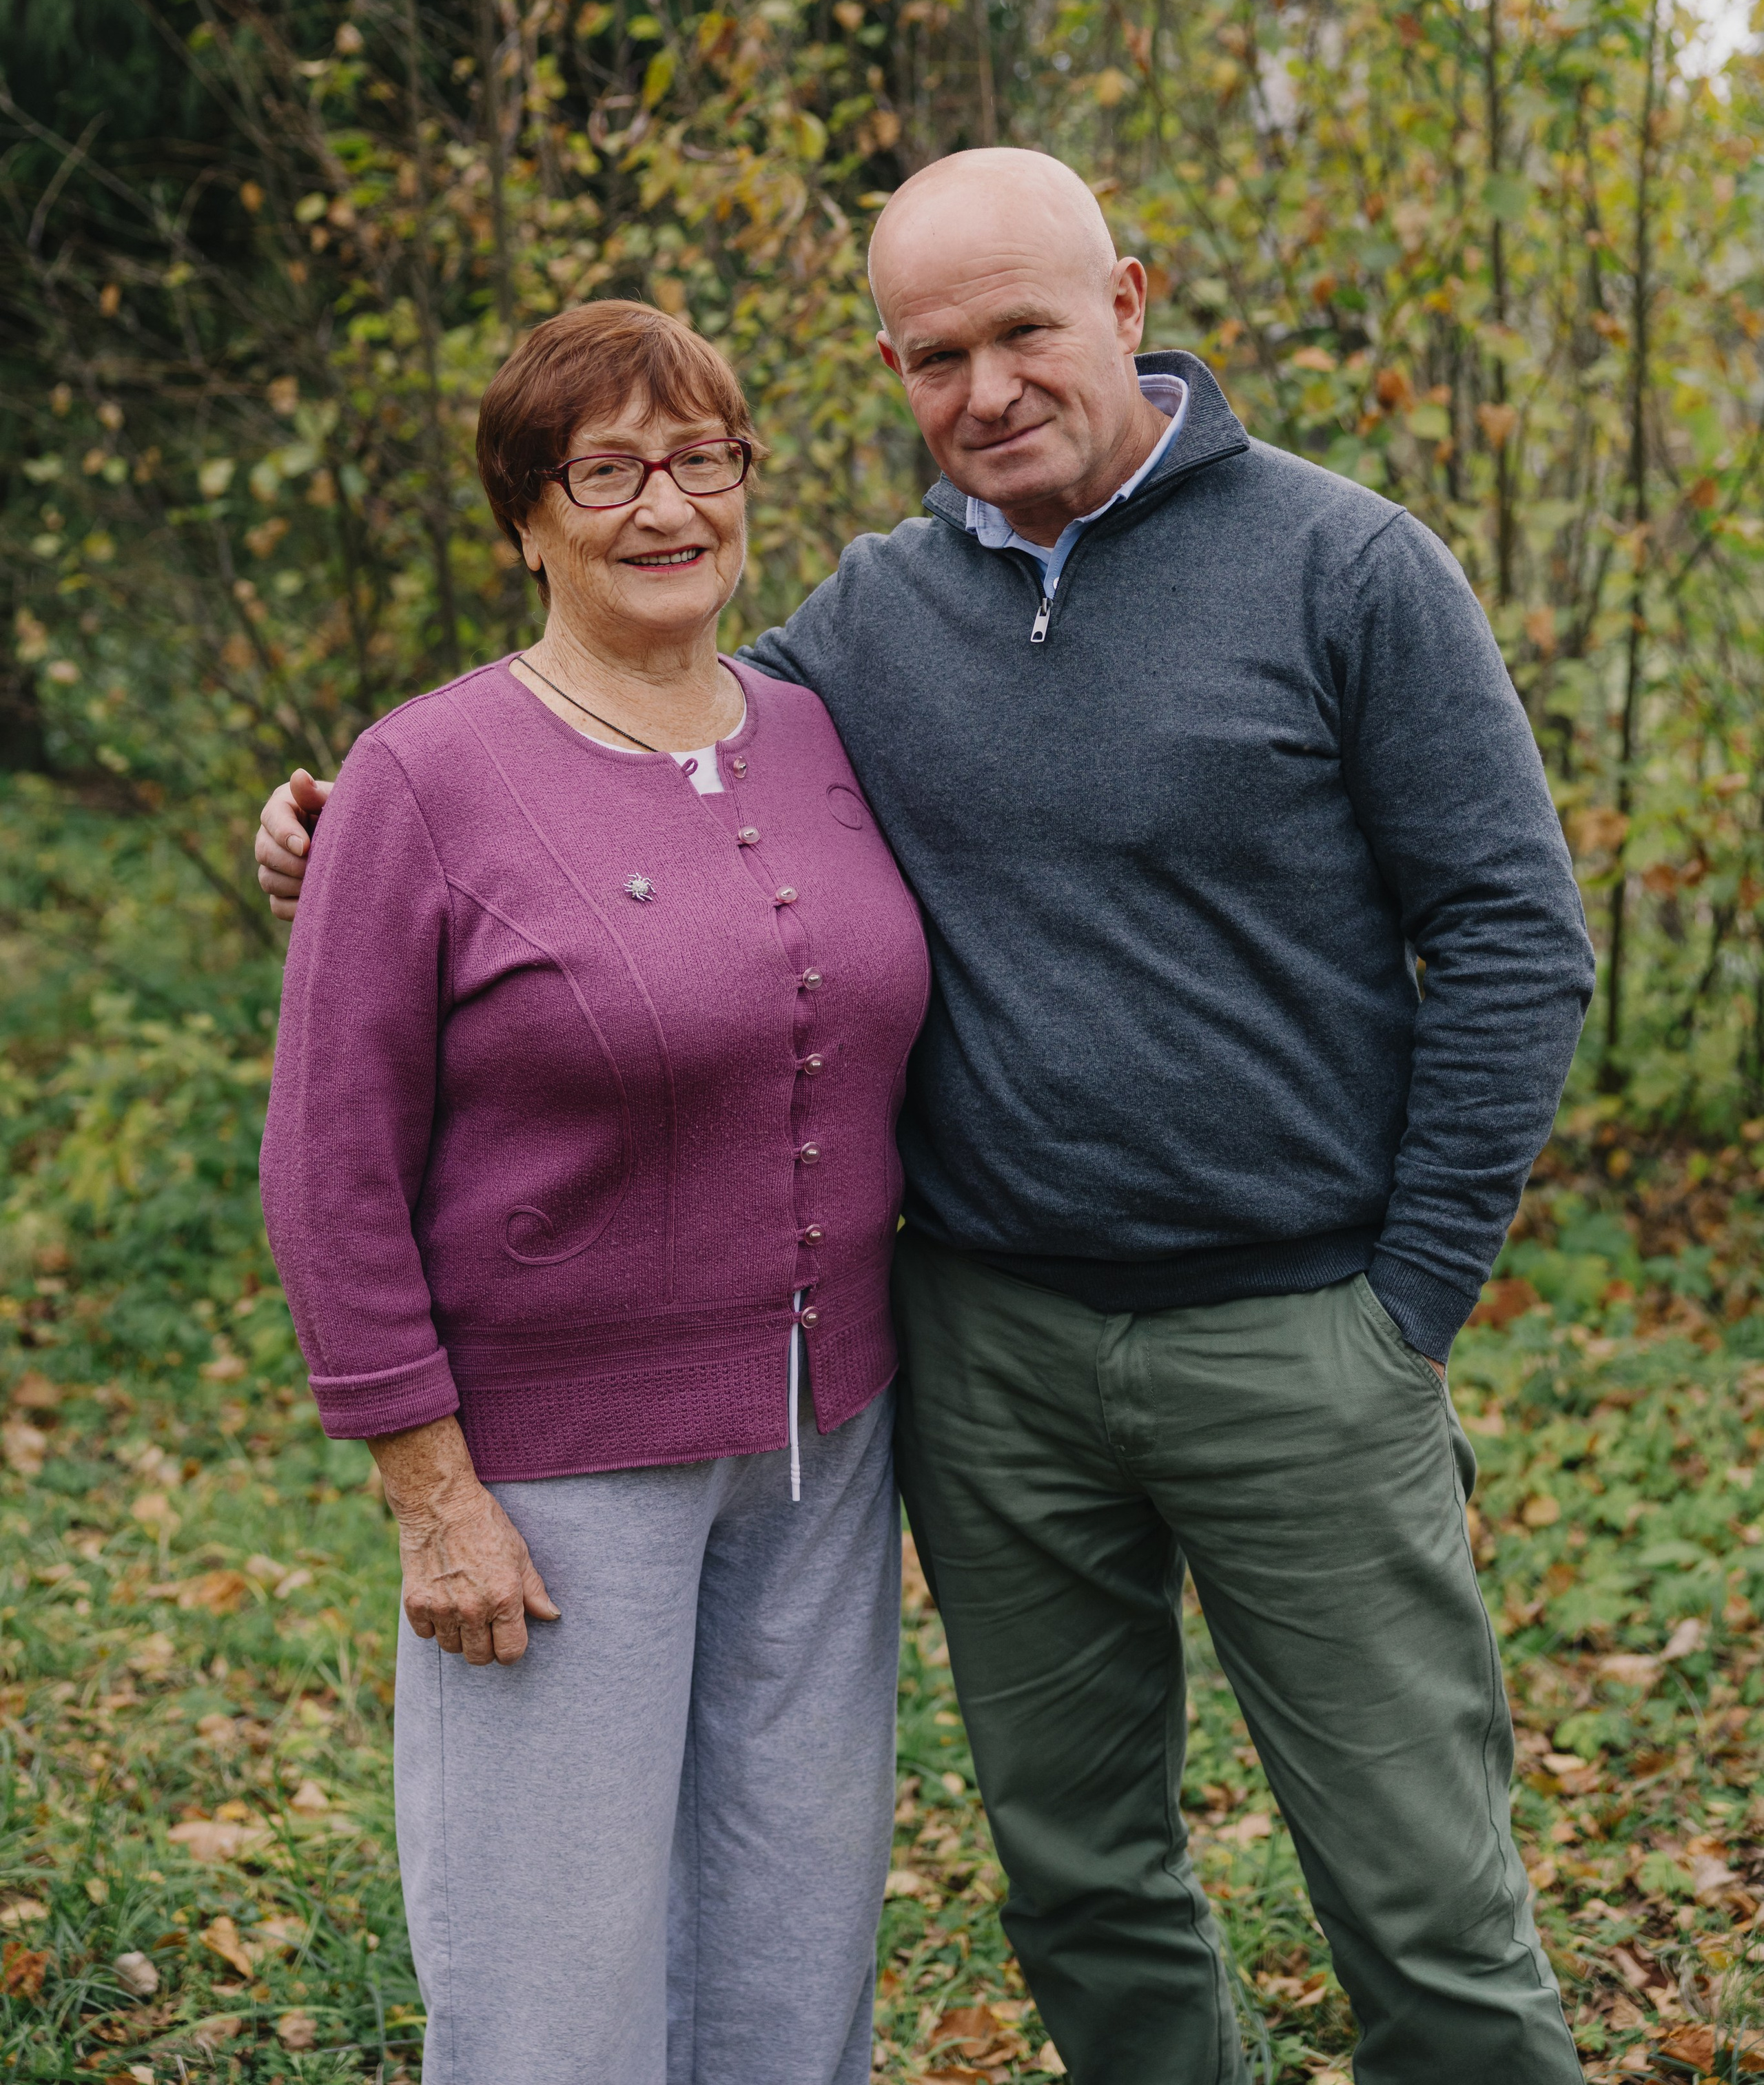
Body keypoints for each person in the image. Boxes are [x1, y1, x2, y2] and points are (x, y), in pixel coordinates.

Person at [259, 153, 1595, 2085]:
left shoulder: (1345, 566)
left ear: (1126, 303)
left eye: (1026, 331)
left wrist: (1406, 1303)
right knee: (1082, 1878)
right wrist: (349, 827)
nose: (986, 388)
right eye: (933, 353)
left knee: (1422, 1899)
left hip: (1298, 1335)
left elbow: (1510, 939)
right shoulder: (873, 620)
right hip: (986, 1355)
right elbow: (625, 740)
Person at [256, 301, 930, 2085]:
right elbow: (330, 1162)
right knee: (556, 1961)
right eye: (609, 467)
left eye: (702, 457)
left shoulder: (810, 729)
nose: (665, 505)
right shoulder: (423, 774)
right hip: (554, 1478)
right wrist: (428, 1492)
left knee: (796, 1922)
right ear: (524, 513)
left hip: (822, 1439)